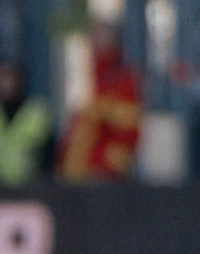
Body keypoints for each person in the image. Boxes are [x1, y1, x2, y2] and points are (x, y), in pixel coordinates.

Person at [57, 24, 141, 181]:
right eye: (93, 36)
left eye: (101, 36)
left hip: (102, 172)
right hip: (76, 169)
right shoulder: (85, 73)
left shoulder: (121, 77)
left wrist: (109, 164)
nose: (96, 41)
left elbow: (129, 126)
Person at [0, 61, 53, 184]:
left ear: (20, 80)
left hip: (28, 186)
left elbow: (49, 152)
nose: (3, 84)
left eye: (8, 78)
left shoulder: (36, 111)